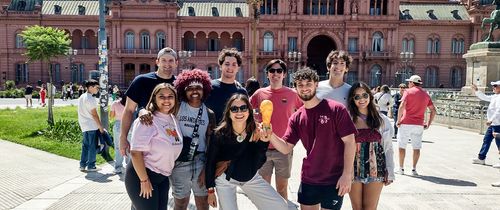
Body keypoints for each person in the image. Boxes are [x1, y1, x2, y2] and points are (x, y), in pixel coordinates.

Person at [261, 67, 357, 210]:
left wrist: (347, 175)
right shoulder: (297, 117)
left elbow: (350, 142)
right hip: (309, 178)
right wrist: (271, 135)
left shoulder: (336, 109)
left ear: (316, 84)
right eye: (300, 85)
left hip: (334, 178)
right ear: (296, 88)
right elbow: (286, 147)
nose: (304, 88)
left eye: (308, 84)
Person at [205, 94, 288, 210]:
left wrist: (263, 143)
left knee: (280, 206)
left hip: (251, 178)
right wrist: (210, 190)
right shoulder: (219, 134)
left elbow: (259, 163)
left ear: (249, 111)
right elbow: (210, 162)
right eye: (234, 109)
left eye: (243, 108)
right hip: (225, 180)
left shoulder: (256, 131)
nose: (239, 112)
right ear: (228, 112)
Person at [250, 59, 302, 200]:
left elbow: (304, 113)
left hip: (284, 149)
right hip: (263, 148)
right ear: (267, 74)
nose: (275, 74)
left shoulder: (293, 94)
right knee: (265, 190)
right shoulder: (259, 94)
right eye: (272, 71)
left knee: (282, 188)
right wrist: (255, 124)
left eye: (279, 71)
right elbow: (246, 112)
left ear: (284, 74)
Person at [125, 83, 183, 210]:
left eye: (170, 96)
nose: (166, 100)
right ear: (154, 98)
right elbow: (135, 153)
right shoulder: (147, 120)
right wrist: (144, 180)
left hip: (162, 177)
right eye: (162, 96)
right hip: (143, 176)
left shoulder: (173, 119)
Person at [120, 47, 178, 157]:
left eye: (171, 60)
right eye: (163, 60)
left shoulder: (179, 84)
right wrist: (123, 137)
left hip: (169, 138)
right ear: (157, 62)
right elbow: (128, 110)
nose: (167, 64)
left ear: (176, 63)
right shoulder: (141, 81)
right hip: (143, 136)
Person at [170, 69, 216, 210]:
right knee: (181, 203)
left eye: (198, 88)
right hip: (179, 160)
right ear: (184, 90)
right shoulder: (176, 107)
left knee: (202, 204)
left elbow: (211, 144)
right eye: (190, 88)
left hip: (200, 161)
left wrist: (206, 170)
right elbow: (155, 111)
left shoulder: (209, 113)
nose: (194, 91)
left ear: (205, 90)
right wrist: (143, 112)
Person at [346, 82, 395, 210]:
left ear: (370, 95)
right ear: (352, 99)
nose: (361, 99)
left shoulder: (381, 120)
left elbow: (388, 148)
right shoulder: (348, 119)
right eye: (357, 97)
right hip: (353, 169)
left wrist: (390, 171)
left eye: (364, 95)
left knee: (370, 208)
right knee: (356, 207)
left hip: (376, 169)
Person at [396, 75, 436, 176]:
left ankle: (401, 168)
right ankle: (414, 169)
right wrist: (428, 123)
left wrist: (398, 120)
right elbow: (433, 110)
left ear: (412, 83)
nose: (408, 84)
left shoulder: (407, 92)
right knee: (416, 147)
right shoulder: (426, 94)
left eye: (409, 82)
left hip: (406, 122)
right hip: (419, 124)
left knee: (402, 146)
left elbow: (402, 106)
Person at [205, 48, 248, 124]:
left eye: (234, 64)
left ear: (238, 68)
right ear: (220, 66)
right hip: (211, 134)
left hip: (234, 134)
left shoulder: (242, 92)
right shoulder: (209, 87)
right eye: (227, 64)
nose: (230, 67)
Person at [471, 81, 500, 168]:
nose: (493, 88)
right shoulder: (495, 96)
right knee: (486, 140)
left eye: (495, 86)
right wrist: (477, 90)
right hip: (493, 124)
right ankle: (481, 158)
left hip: (497, 124)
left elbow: (499, 111)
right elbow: (485, 97)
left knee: (499, 143)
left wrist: (491, 120)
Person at [77, 79, 104, 172]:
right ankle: (91, 165)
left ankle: (82, 165)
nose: (98, 89)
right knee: (92, 145)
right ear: (91, 87)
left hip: (84, 125)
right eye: (97, 87)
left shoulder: (82, 96)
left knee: (85, 145)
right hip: (91, 125)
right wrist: (100, 126)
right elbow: (94, 114)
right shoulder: (91, 99)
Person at [110, 96, 126, 174]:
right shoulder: (132, 103)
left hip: (118, 125)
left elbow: (111, 116)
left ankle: (118, 167)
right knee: (130, 146)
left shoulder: (115, 103)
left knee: (118, 146)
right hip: (130, 124)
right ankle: (130, 166)